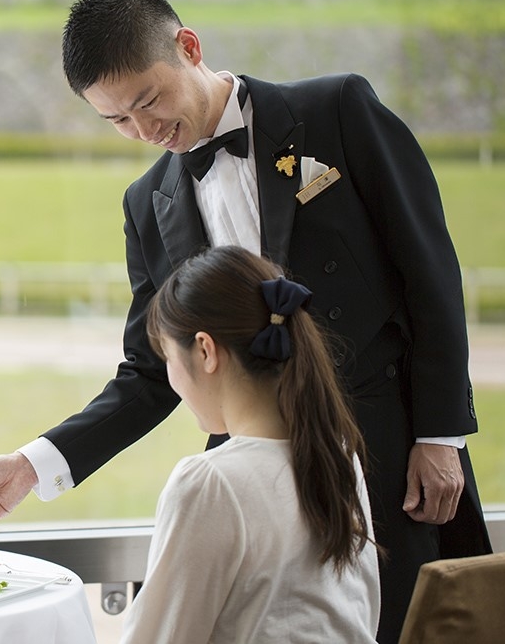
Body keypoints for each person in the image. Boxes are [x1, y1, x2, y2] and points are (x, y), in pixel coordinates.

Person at [0, 0, 491, 643]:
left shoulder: (336, 110)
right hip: (248, 482)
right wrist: (33, 464)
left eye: (148, 101)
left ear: (188, 47)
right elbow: (150, 372)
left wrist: (438, 436)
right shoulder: (146, 204)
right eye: (116, 120)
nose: (144, 131)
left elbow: (428, 271)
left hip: (383, 450)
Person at [123, 245, 380, 642]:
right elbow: (364, 616)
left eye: (169, 358)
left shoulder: (211, 482)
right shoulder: (338, 450)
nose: (172, 378)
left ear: (206, 351)